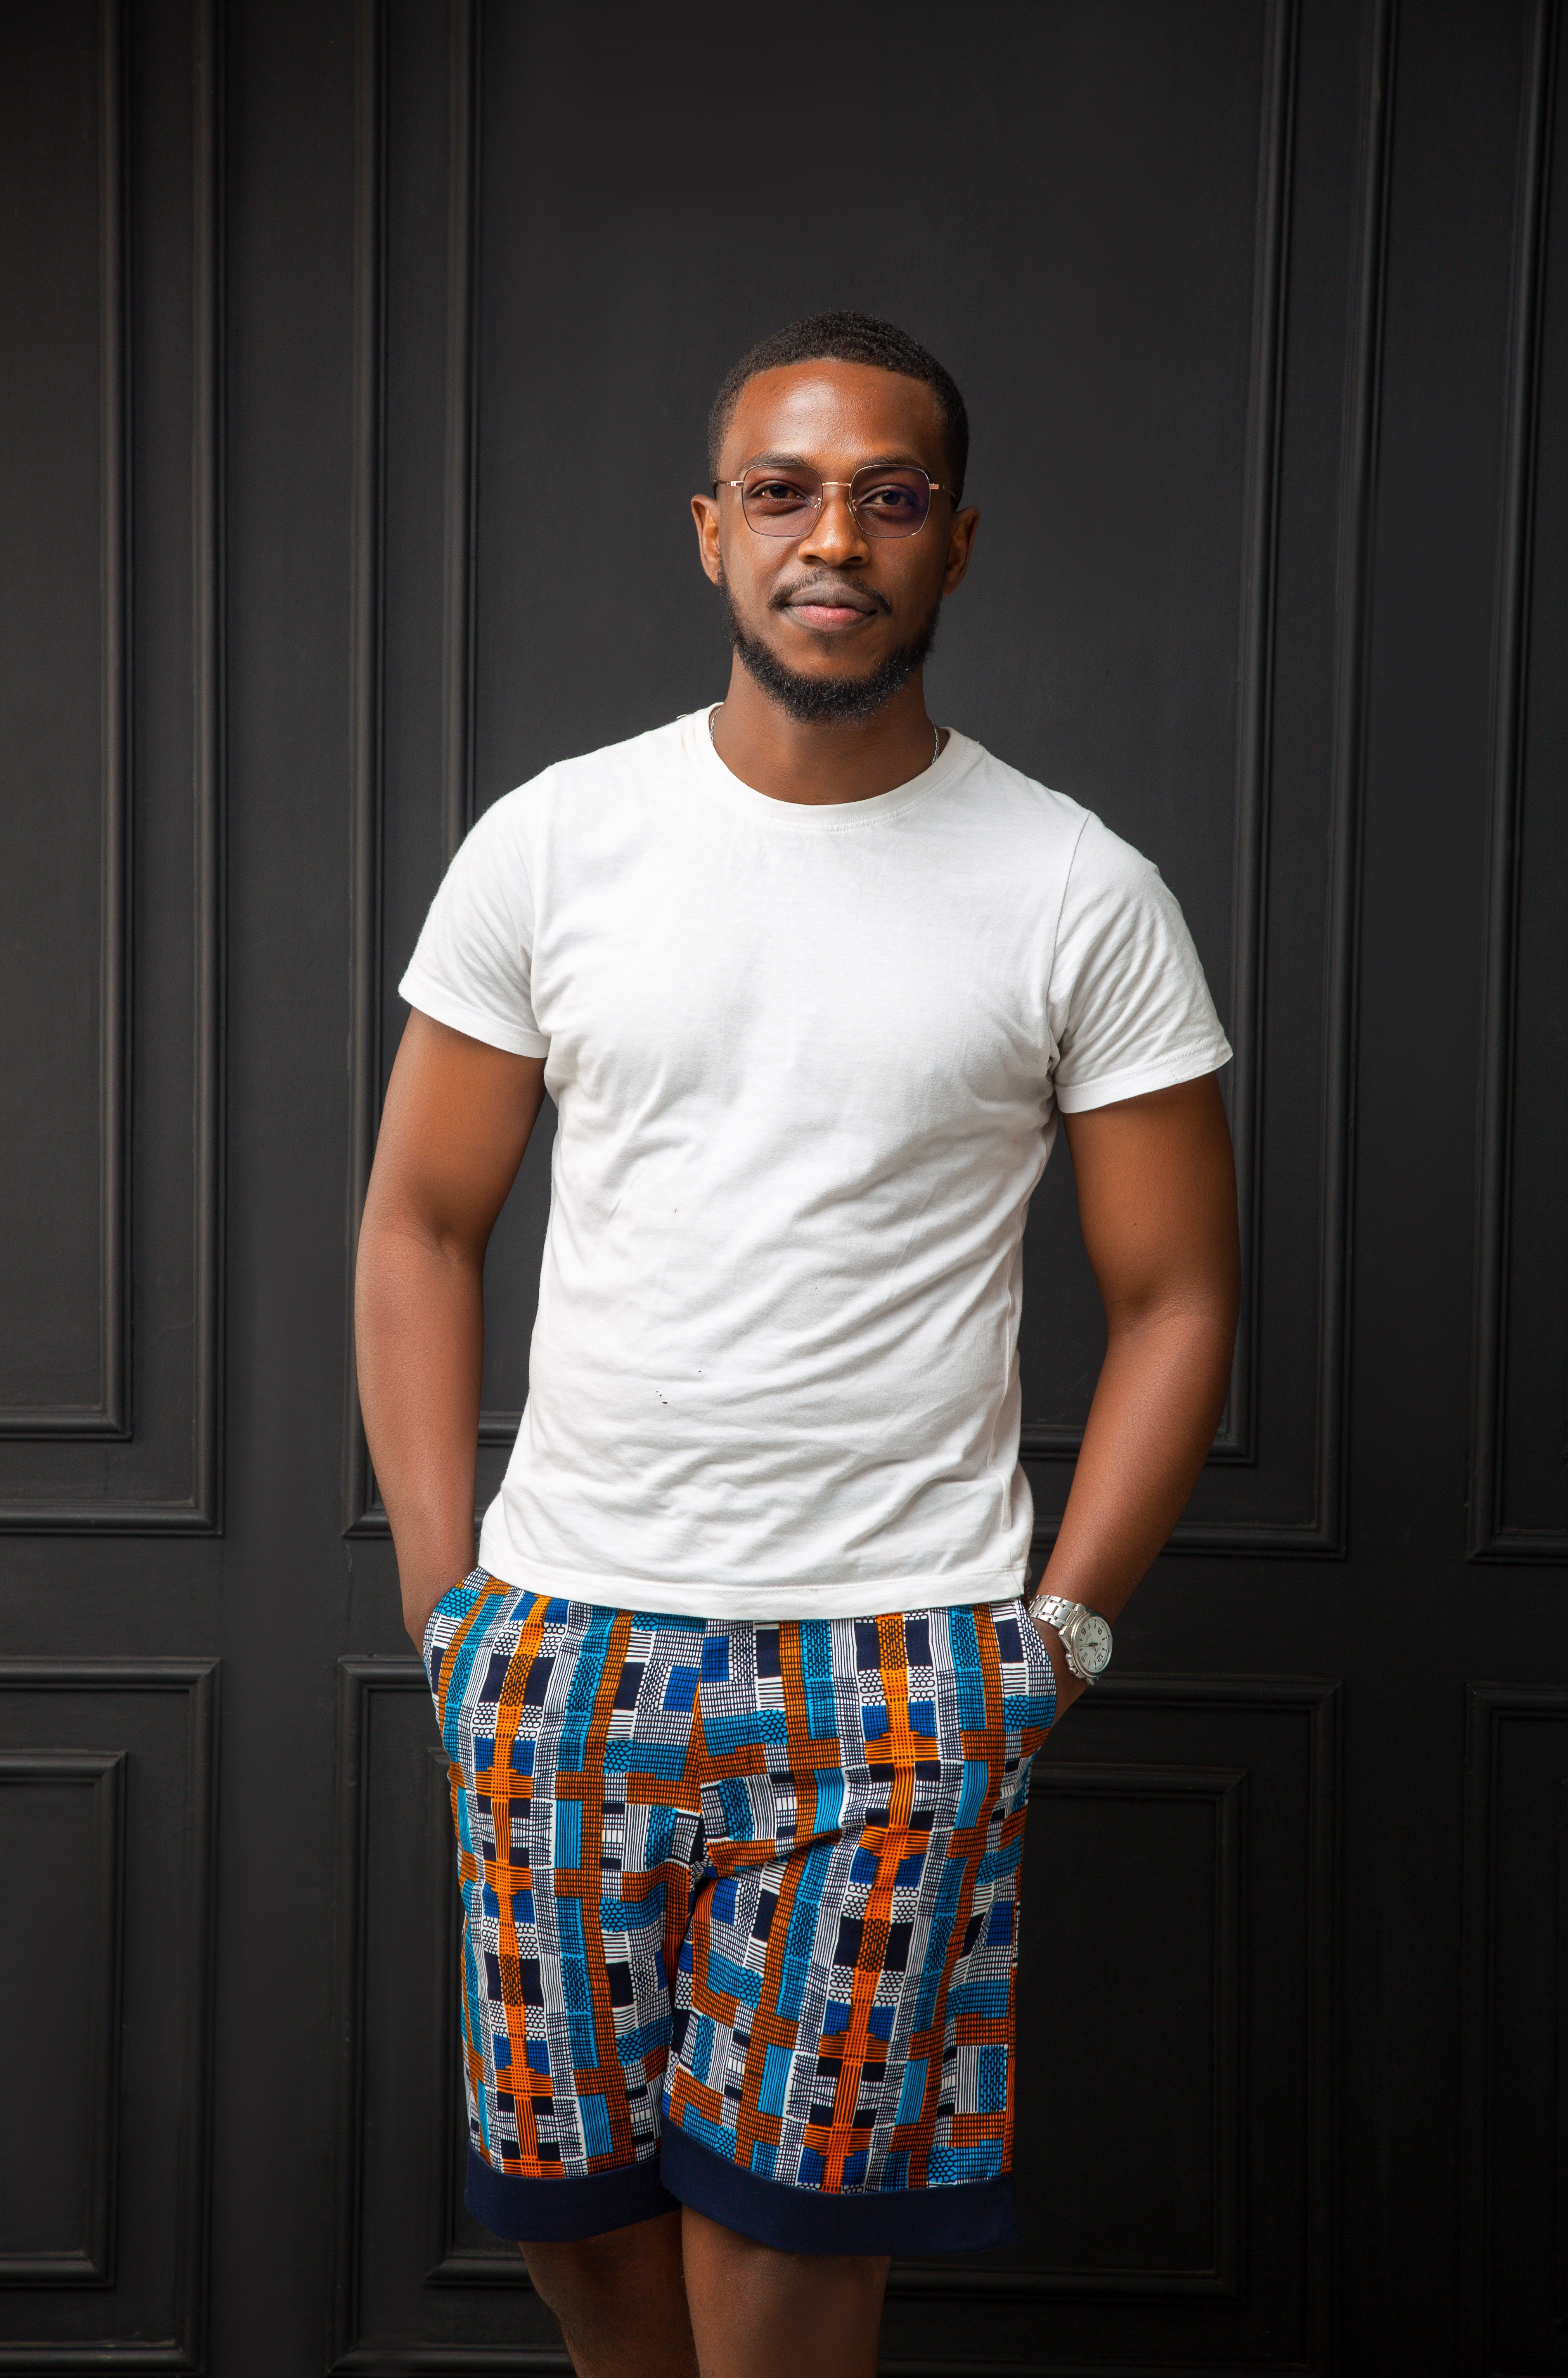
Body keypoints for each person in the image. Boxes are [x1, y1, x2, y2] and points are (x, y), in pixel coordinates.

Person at [355, 310, 1239, 2378]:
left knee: (791, 2254)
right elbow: (420, 1221)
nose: (834, 536)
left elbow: (1180, 1295)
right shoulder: (556, 841)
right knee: (582, 2228)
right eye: (786, 492)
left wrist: (1058, 1639)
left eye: (889, 497)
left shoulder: (1078, 889)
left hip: (897, 1670)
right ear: (713, 531)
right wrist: (444, 1606)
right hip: (562, 1648)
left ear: (957, 543)